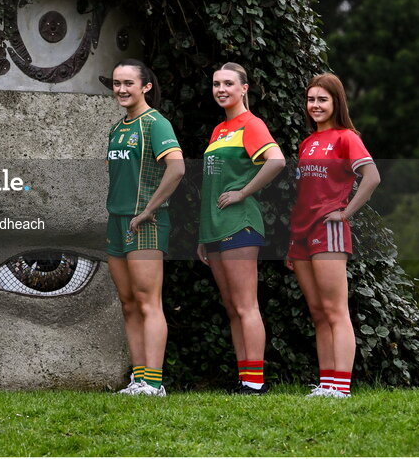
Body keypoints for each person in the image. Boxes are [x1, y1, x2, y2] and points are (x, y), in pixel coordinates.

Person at [288, 73, 380, 398]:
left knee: (335, 310)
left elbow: (372, 177)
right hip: (301, 235)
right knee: (317, 312)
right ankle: (327, 384)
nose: (315, 105)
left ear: (335, 102)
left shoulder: (345, 138)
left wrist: (344, 212)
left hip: (328, 231)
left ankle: (340, 387)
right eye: (311, 99)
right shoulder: (307, 142)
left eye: (322, 99)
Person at [198, 62, 285, 394]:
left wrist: (244, 192)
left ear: (244, 88)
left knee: (246, 304)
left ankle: (255, 382)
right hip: (215, 229)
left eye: (228, 84)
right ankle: (244, 378)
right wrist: (204, 235)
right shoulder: (219, 130)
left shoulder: (251, 124)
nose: (221, 89)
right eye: (217, 83)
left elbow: (276, 161)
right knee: (232, 306)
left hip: (240, 224)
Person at [106, 60, 185, 397]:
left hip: (146, 222)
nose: (122, 89)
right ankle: (139, 380)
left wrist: (150, 208)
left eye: (128, 83)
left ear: (146, 86)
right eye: (117, 83)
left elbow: (177, 168)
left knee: (148, 300)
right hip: (116, 220)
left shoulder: (155, 123)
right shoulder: (117, 127)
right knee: (128, 303)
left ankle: (154, 382)